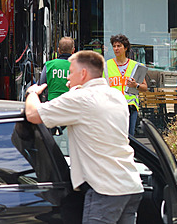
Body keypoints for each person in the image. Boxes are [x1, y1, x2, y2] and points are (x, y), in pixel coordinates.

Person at [24, 50, 144, 224]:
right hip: (130, 185)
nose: (67, 77)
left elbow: (33, 114)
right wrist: (75, 90)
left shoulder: (80, 99)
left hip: (105, 190)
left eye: (71, 72)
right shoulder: (117, 96)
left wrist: (32, 94)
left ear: (83, 73)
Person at [104, 34, 147, 136]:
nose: (116, 49)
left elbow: (145, 87)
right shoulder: (106, 66)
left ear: (125, 48)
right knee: (114, 136)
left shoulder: (136, 66)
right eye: (114, 46)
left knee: (129, 136)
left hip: (130, 106)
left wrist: (136, 85)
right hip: (113, 106)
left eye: (119, 46)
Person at [38, 36, 75, 101]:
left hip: (52, 102)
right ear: (73, 50)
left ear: (58, 50)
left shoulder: (49, 65)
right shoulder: (77, 65)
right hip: (71, 102)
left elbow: (41, 83)